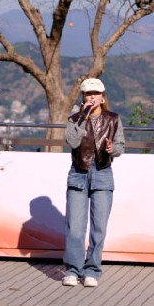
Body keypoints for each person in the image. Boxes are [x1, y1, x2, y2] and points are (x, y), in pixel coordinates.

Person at [62, 77, 125, 288]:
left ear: (102, 96)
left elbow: (120, 146)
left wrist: (111, 150)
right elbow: (72, 142)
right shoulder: (74, 119)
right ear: (83, 97)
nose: (92, 97)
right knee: (75, 227)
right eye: (88, 94)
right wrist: (82, 117)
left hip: (103, 173)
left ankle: (92, 270)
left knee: (99, 227)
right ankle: (72, 270)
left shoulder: (113, 119)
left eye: (95, 94)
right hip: (79, 173)